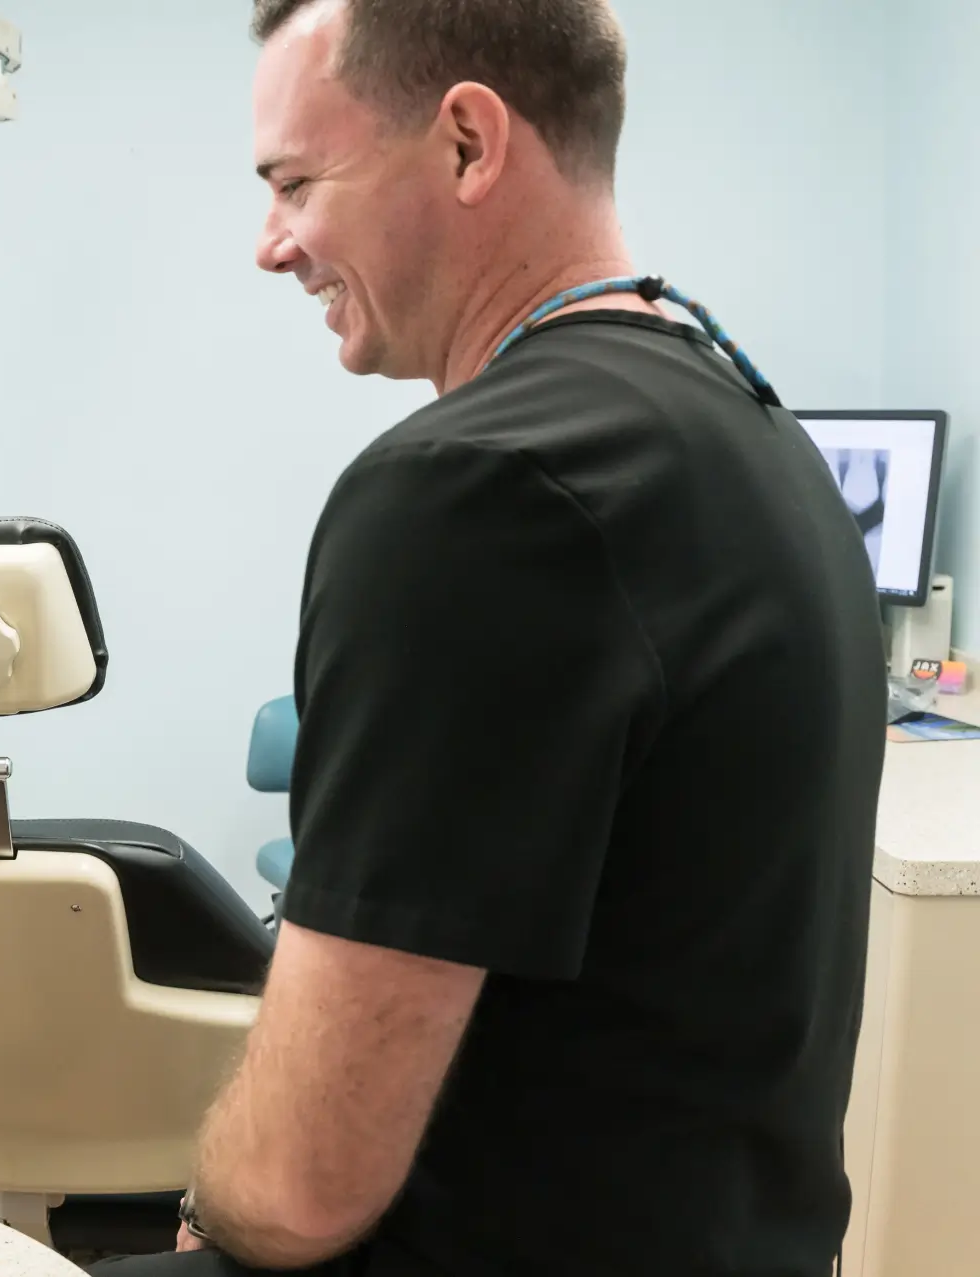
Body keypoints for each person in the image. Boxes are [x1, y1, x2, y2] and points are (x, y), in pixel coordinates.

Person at [93, 1, 886, 1273]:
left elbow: (299, 1189)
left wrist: (212, 1196)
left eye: (295, 183)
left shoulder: (474, 488)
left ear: (469, 142)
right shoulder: (758, 430)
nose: (271, 244)